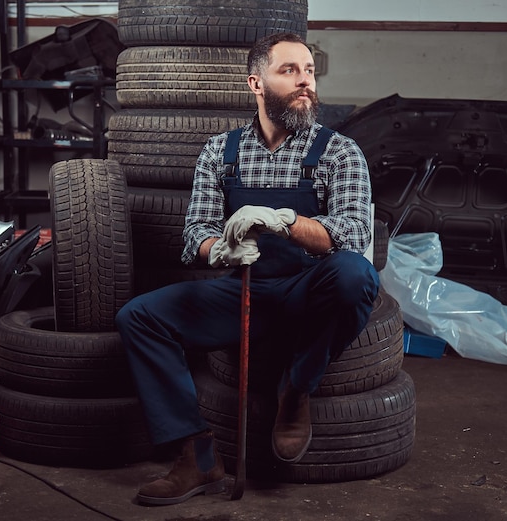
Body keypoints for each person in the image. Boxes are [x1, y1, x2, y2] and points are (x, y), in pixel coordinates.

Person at [115, 32, 379, 506]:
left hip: (308, 290)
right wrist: (222, 251)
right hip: (246, 290)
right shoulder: (221, 153)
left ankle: (295, 391)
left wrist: (284, 222)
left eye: (310, 71)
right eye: (289, 71)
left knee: (356, 276)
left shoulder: (339, 152)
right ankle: (196, 454)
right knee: (139, 316)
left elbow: (354, 236)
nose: (305, 83)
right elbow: (196, 230)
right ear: (256, 83)